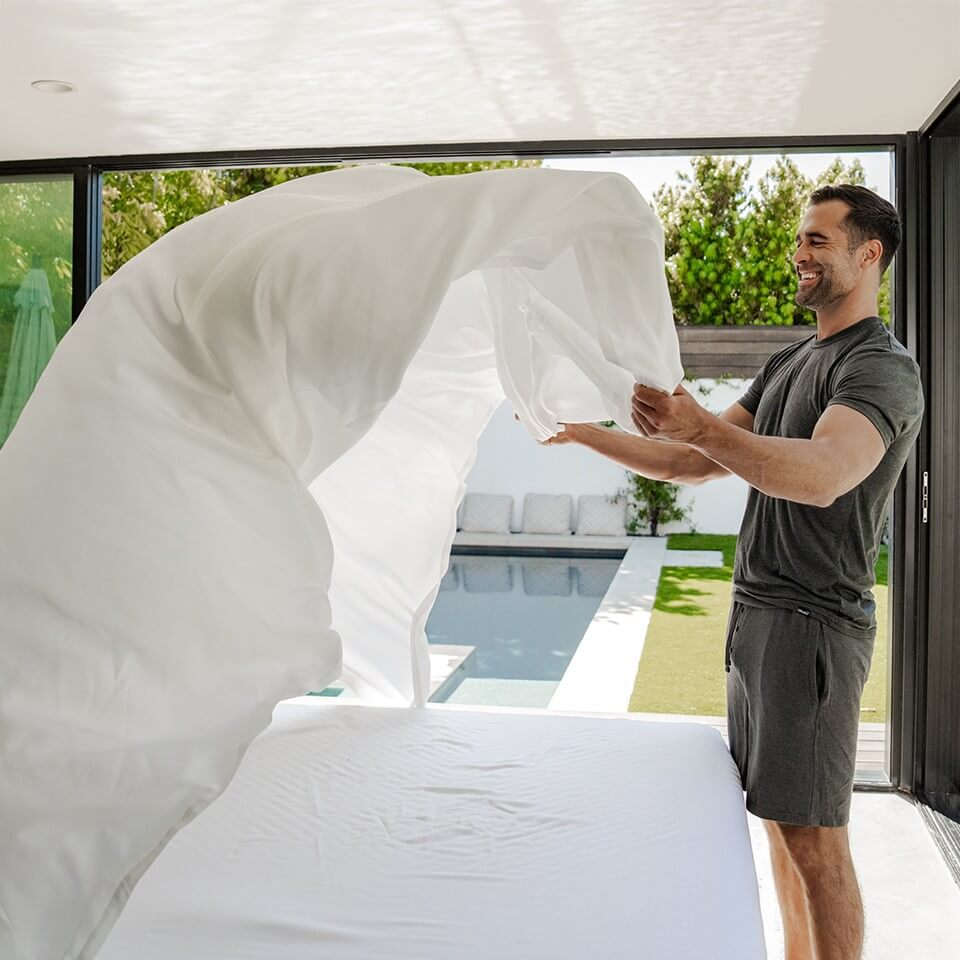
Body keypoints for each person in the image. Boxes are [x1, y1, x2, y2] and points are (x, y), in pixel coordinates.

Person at [545, 184, 923, 960]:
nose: (800, 253)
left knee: (816, 837)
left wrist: (705, 427)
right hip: (758, 615)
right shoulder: (793, 358)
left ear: (868, 255)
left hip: (813, 622)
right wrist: (581, 431)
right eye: (802, 240)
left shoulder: (880, 371)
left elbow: (822, 474)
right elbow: (692, 459)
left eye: (818, 240)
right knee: (781, 823)